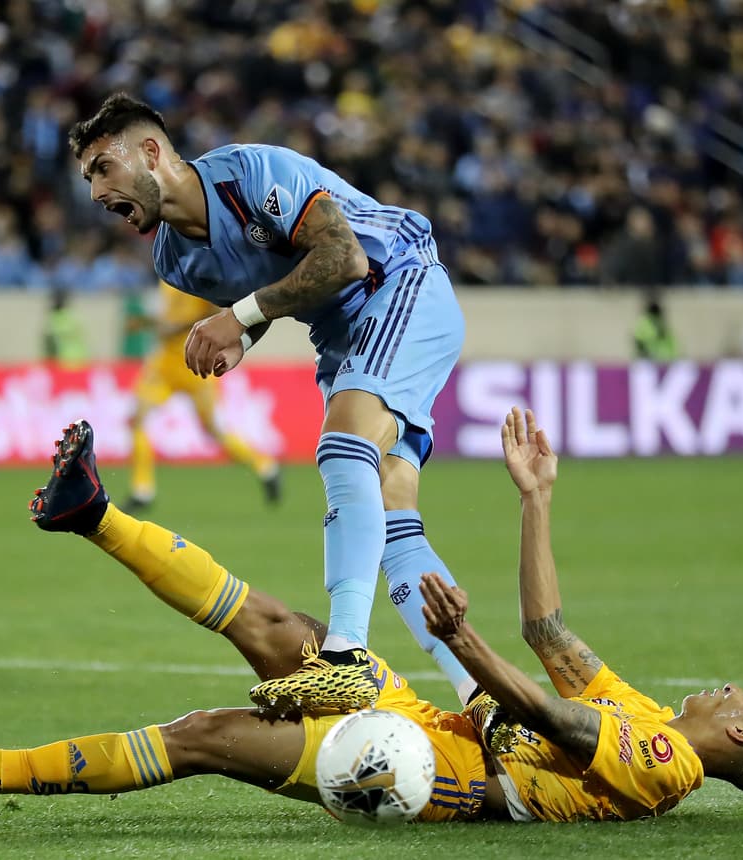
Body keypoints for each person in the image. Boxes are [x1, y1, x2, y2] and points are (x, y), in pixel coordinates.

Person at [0, 411, 743, 821]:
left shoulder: (667, 762)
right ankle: (90, 512)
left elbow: (546, 713)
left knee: (209, 735)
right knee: (279, 626)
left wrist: (462, 642)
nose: (732, 683)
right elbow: (552, 639)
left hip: (433, 778)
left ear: (739, 732)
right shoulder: (650, 716)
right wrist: (535, 499)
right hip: (433, 722)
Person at [68, 93, 471, 713]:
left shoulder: (252, 175)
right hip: (342, 336)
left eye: (103, 168)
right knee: (391, 522)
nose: (96, 192)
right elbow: (276, 285)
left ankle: (344, 657)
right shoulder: (174, 259)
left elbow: (344, 256)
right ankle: (484, 696)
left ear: (151, 153)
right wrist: (245, 335)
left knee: (343, 449)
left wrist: (241, 317)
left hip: (397, 281)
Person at [124, 280, 280, 511]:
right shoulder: (166, 275)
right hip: (165, 362)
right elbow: (169, 319)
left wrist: (176, 328)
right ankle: (142, 490)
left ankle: (265, 466)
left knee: (214, 431)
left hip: (196, 360)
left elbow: (217, 313)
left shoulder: (198, 275)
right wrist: (148, 323)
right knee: (137, 419)